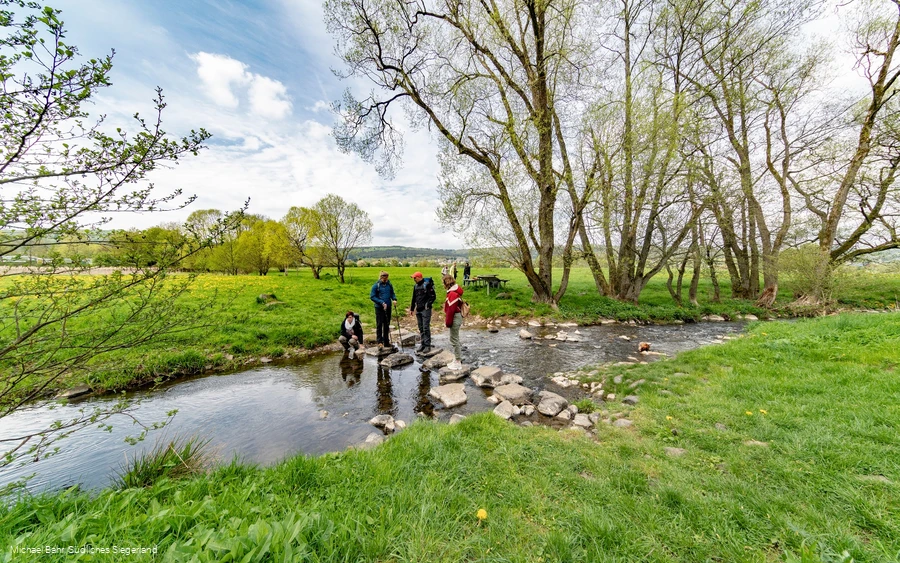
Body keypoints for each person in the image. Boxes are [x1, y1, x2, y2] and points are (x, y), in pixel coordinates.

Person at [408, 271, 436, 353]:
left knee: (426, 327)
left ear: (419, 277)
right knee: (421, 328)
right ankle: (422, 344)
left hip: (426, 310)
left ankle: (427, 345)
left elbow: (433, 297)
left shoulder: (427, 285)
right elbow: (414, 298)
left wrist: (427, 305)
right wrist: (412, 309)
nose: (414, 279)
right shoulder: (415, 286)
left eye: (415, 278)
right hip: (418, 309)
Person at [370, 270, 397, 349]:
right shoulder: (376, 286)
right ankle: (379, 342)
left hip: (388, 307)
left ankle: (386, 341)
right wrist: (381, 302)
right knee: (379, 324)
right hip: (379, 308)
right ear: (381, 277)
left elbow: (392, 293)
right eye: (384, 278)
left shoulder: (389, 285)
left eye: (387, 278)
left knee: (386, 324)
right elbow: (372, 296)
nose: (385, 279)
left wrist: (394, 299)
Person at [442, 274, 464, 370]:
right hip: (457, 317)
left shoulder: (452, 294)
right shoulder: (455, 292)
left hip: (455, 317)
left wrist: (448, 322)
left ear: (446, 283)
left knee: (454, 340)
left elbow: (451, 310)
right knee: (455, 339)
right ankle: (456, 359)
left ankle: (458, 362)